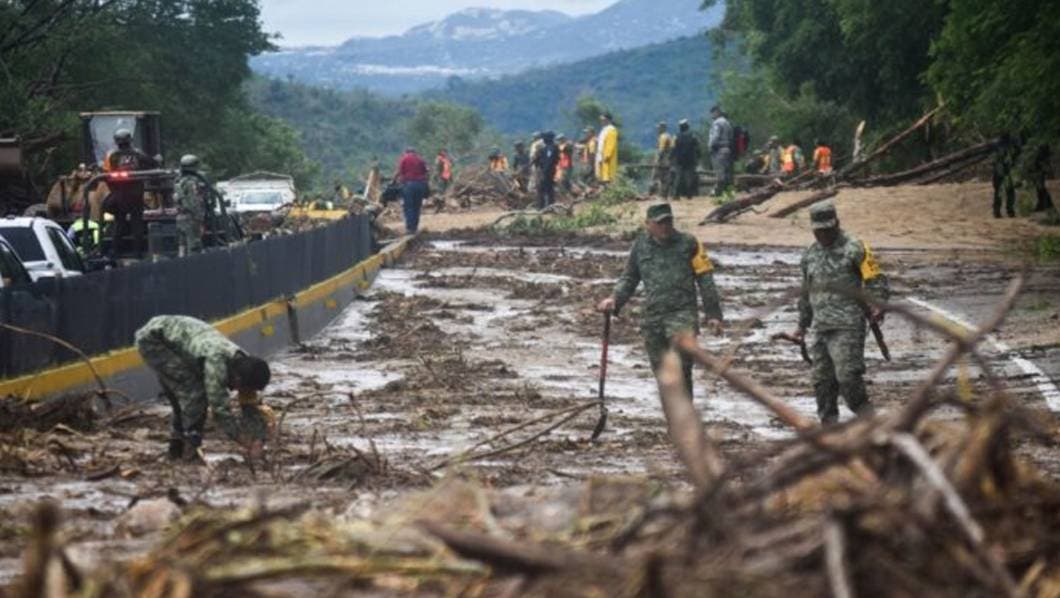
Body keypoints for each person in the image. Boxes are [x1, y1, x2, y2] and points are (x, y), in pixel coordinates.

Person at [597, 203, 723, 399]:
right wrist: (614, 300)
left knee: (681, 367)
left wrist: (713, 314)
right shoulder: (640, 246)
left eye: (668, 222)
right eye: (660, 223)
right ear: (648, 224)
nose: (665, 227)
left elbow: (705, 279)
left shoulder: (689, 243)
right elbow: (630, 277)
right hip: (653, 318)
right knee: (662, 372)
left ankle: (685, 413)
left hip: (683, 315)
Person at [788, 200, 889, 425]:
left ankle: (871, 423)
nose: (823, 235)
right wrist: (802, 325)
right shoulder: (810, 255)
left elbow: (875, 279)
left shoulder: (855, 248)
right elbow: (806, 292)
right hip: (820, 327)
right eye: (818, 231)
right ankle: (829, 431)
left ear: (837, 224)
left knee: (848, 378)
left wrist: (878, 304)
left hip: (848, 325)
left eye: (828, 229)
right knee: (822, 383)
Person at [135, 315, 272, 461]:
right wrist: (244, 440)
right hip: (154, 341)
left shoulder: (247, 367)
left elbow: (250, 405)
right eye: (241, 388)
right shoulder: (216, 364)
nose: (238, 391)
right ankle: (189, 449)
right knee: (195, 393)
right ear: (237, 379)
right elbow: (220, 410)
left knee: (183, 394)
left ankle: (176, 447)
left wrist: (258, 438)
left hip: (178, 338)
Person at [103, 128, 156, 258]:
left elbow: (106, 174)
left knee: (119, 223)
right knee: (137, 223)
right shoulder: (138, 154)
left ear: (116, 142)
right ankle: (138, 253)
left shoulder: (112, 156)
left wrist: (114, 191)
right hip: (136, 195)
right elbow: (152, 164)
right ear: (130, 140)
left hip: (120, 195)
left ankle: (116, 252)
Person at [173, 154, 206, 255]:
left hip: (180, 217)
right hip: (191, 218)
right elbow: (194, 203)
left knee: (182, 246)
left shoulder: (178, 181)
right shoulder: (191, 183)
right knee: (194, 246)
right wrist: (200, 218)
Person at [395, 147, 429, 234]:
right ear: (414, 152)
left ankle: (409, 228)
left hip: (408, 185)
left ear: (406, 152)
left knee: (408, 207)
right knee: (417, 206)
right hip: (420, 185)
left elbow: (400, 172)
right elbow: (426, 172)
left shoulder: (404, 159)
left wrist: (395, 180)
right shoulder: (420, 160)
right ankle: (415, 227)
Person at [708, 106, 734, 196]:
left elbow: (715, 136)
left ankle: (719, 193)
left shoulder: (717, 123)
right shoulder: (727, 123)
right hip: (727, 149)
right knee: (727, 173)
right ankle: (728, 193)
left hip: (719, 150)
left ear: (717, 112)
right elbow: (731, 137)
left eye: (712, 113)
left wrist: (710, 146)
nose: (711, 115)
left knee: (720, 174)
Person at [992, 133, 1019, 218]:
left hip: (1005, 170)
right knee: (1003, 191)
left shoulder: (998, 144)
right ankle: (1003, 211)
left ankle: (1004, 210)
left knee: (1006, 191)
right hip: (1002, 170)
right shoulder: (998, 144)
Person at [672, 119, 700, 199]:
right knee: (689, 177)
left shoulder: (676, 136)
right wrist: (698, 157)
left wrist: (672, 158)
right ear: (687, 126)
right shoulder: (693, 136)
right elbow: (697, 147)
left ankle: (676, 195)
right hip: (690, 159)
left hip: (679, 160)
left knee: (678, 177)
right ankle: (689, 194)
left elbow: (673, 149)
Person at [534, 131, 560, 210]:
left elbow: (549, 161)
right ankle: (548, 206)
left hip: (548, 171)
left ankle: (543, 206)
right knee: (548, 189)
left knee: (543, 189)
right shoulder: (546, 148)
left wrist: (544, 172)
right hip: (548, 171)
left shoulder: (551, 148)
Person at [1028, 144, 1054, 213]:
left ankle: (1046, 206)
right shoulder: (1041, 157)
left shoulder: (1043, 157)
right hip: (1041, 176)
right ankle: (1045, 206)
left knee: (1043, 192)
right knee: (1042, 192)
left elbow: (1045, 168)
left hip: (1042, 177)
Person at [652, 122, 675, 198]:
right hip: (668, 161)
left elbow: (661, 150)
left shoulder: (663, 137)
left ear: (663, 128)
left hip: (662, 162)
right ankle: (664, 195)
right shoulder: (669, 136)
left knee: (659, 178)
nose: (657, 130)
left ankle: (660, 195)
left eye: (659, 128)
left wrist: (657, 161)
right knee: (665, 179)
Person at [595, 113, 619, 184]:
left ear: (609, 120)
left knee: (607, 175)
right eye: (601, 120)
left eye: (604, 120)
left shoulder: (611, 130)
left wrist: (607, 155)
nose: (602, 121)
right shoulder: (603, 130)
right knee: (601, 173)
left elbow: (610, 144)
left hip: (606, 156)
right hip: (600, 154)